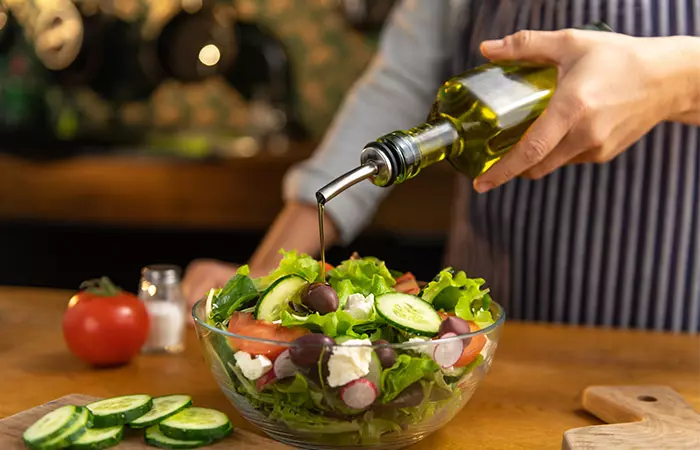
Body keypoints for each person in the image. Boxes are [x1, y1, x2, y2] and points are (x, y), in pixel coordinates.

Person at [183, 0, 700, 333]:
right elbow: (400, 82)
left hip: (670, 318)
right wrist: (269, 273)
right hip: (495, 309)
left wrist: (677, 80)